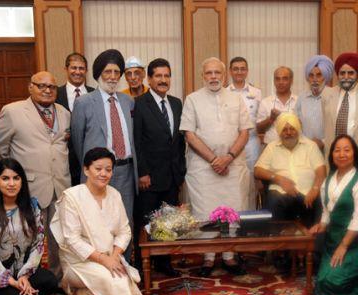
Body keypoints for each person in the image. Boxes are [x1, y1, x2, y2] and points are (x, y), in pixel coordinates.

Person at [0, 71, 71, 278]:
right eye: (41, 85)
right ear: (30, 87)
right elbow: (0, 150)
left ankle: (56, 278)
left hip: (60, 185)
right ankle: (26, 279)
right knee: (26, 238)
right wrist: (11, 182)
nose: (47, 90)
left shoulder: (64, 112)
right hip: (29, 187)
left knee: (59, 237)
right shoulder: (12, 111)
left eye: (52, 87)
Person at [180, 57, 252, 277]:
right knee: (205, 211)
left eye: (217, 73)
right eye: (209, 73)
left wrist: (228, 157)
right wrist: (213, 159)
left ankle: (229, 256)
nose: (213, 77)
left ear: (224, 75)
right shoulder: (192, 99)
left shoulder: (237, 99)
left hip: (232, 166)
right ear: (203, 76)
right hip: (204, 168)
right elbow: (189, 134)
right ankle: (208, 257)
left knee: (232, 210)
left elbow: (245, 131)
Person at [51, 147, 145, 295]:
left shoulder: (115, 194)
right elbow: (72, 240)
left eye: (108, 169)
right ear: (86, 170)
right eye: (98, 169)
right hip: (78, 262)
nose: (104, 174)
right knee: (118, 281)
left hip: (109, 256)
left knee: (126, 280)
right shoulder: (72, 197)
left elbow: (124, 231)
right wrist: (104, 260)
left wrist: (114, 257)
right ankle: (80, 293)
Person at [70, 49, 139, 261]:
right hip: (97, 175)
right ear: (98, 73)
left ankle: (123, 266)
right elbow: (77, 142)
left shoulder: (128, 102)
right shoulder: (83, 103)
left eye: (117, 72)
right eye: (107, 71)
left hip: (125, 172)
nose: (112, 77)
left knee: (124, 224)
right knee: (97, 224)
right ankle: (100, 271)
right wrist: (92, 170)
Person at [0, 158, 59, 295]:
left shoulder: (32, 206)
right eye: (5, 178)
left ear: (22, 181)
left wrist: (24, 276)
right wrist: (13, 282)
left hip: (24, 272)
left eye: (16, 178)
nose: (12, 183)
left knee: (51, 281)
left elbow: (38, 245)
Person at [132, 58, 185, 276]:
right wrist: (142, 172)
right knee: (146, 222)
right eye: (158, 76)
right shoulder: (139, 103)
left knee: (167, 221)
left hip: (172, 176)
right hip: (149, 177)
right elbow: (137, 141)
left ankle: (164, 263)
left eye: (167, 76)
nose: (163, 80)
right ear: (149, 78)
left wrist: (180, 171)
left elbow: (179, 140)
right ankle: (142, 265)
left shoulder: (176, 103)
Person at [310, 135, 358, 295]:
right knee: (322, 281)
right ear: (331, 154)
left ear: (355, 154)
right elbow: (327, 213)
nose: (341, 154)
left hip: (357, 244)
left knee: (334, 282)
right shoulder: (328, 181)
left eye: (347, 150)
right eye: (337, 150)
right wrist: (320, 226)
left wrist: (343, 246)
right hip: (332, 242)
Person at [254, 113, 326, 227]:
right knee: (274, 200)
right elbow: (258, 170)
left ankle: (312, 241)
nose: (288, 133)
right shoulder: (272, 147)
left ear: (298, 129)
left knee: (319, 200)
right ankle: (277, 242)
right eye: (284, 129)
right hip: (280, 194)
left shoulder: (310, 146)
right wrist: (279, 179)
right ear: (279, 132)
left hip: (308, 193)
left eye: (292, 129)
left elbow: (321, 170)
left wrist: (315, 188)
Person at [323, 52, 358, 176]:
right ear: (337, 74)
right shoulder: (327, 95)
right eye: (342, 73)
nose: (346, 77)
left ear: (357, 74)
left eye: (351, 73)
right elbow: (326, 123)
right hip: (335, 155)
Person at [228, 56, 263, 209]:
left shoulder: (257, 92)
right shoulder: (224, 92)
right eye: (236, 69)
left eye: (242, 69)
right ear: (230, 71)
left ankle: (251, 218)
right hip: (232, 144)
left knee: (252, 184)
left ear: (247, 71)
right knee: (233, 181)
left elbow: (261, 118)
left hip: (252, 144)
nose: (239, 72)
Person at [56, 52, 95, 186]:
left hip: (91, 158)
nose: (77, 72)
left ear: (86, 71)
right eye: (74, 68)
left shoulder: (95, 93)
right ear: (66, 69)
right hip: (64, 159)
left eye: (81, 68)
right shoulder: (55, 94)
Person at [295, 55, 333, 151]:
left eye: (319, 75)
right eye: (311, 75)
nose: (315, 79)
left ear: (326, 77)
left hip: (328, 149)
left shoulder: (334, 97)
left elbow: (337, 127)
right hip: (304, 149)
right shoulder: (301, 98)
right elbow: (296, 123)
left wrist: (322, 142)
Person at [256, 66, 298, 145]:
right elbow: (259, 129)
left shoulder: (299, 101)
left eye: (285, 78)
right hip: (271, 147)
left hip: (294, 147)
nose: (281, 82)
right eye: (277, 79)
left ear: (291, 81)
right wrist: (271, 119)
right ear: (274, 81)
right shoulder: (265, 102)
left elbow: (303, 127)